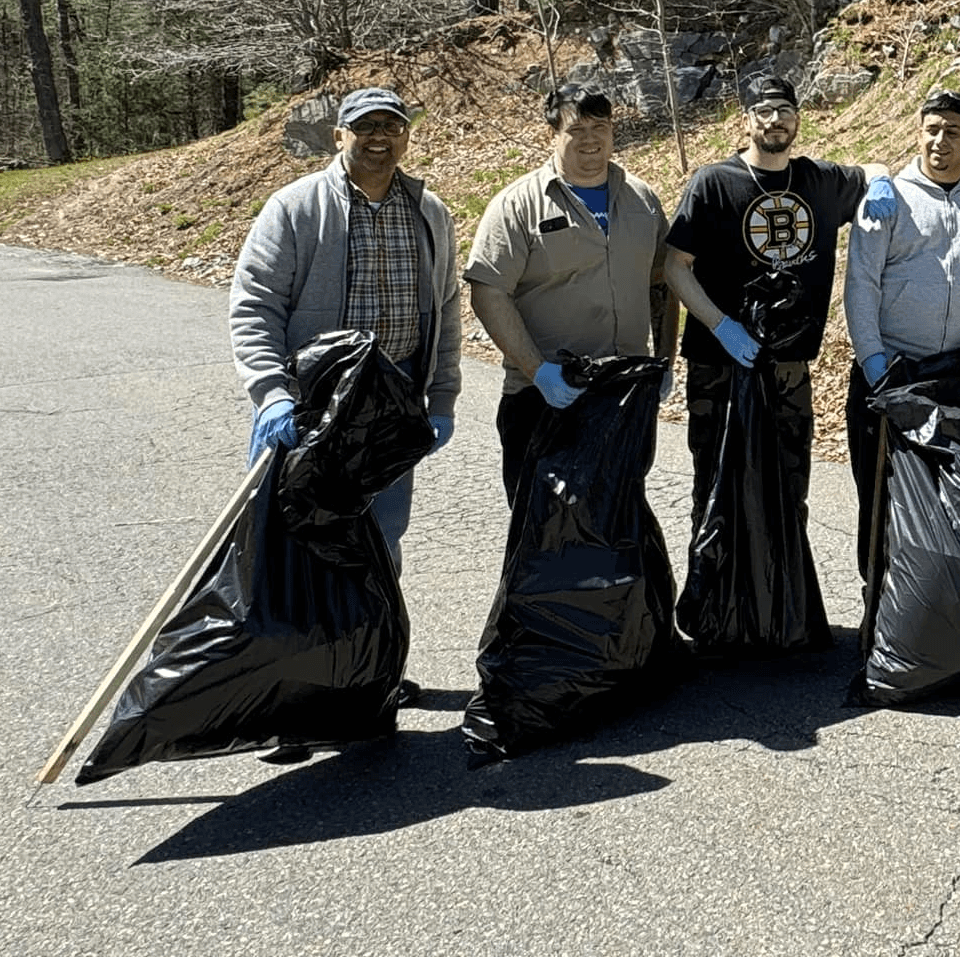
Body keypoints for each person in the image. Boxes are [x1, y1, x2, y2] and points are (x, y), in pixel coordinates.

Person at [229, 85, 460, 753]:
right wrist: (273, 394)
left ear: (407, 136)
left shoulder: (429, 212)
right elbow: (254, 306)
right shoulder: (297, 208)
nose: (379, 138)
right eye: (365, 127)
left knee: (377, 551)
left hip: (388, 417)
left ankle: (369, 676)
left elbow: (443, 313)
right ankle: (291, 703)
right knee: (296, 557)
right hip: (309, 415)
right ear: (339, 136)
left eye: (392, 126)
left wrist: (439, 401)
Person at [662, 74, 895, 549]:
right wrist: (721, 325)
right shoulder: (712, 184)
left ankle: (787, 610)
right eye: (763, 112)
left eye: (783, 111)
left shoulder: (819, 181)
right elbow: (675, 267)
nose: (774, 121)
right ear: (745, 121)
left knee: (790, 484)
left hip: (789, 364)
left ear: (797, 120)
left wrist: (884, 180)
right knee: (715, 484)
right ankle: (714, 610)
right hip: (719, 362)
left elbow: (871, 168)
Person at [843, 88, 960, 569]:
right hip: (893, 374)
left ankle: (950, 617)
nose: (940, 141)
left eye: (952, 131)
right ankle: (882, 609)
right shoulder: (888, 200)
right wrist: (872, 360)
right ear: (918, 133)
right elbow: (861, 282)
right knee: (883, 498)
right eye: (932, 130)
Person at [465, 82, 674, 505]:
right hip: (544, 401)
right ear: (552, 135)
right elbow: (488, 291)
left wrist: (664, 363)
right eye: (576, 129)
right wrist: (539, 371)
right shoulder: (518, 206)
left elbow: (663, 283)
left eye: (601, 126)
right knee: (543, 544)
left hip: (624, 397)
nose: (591, 139)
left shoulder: (642, 200)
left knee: (619, 530)